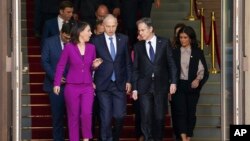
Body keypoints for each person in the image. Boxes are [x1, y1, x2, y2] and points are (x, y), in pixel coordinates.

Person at [53, 21, 103, 141]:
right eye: (88, 31)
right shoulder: (69, 47)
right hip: (72, 86)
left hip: (87, 86)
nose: (91, 33)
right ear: (80, 32)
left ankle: (86, 139)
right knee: (73, 116)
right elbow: (61, 65)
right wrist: (56, 83)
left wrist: (95, 65)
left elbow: (90, 68)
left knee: (86, 114)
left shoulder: (92, 48)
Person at [131, 17, 177, 141]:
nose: (140, 33)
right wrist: (134, 88)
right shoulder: (138, 46)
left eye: (143, 30)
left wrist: (173, 82)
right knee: (145, 116)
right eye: (139, 30)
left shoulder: (164, 42)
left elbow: (171, 64)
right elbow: (135, 69)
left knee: (159, 117)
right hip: (144, 86)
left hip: (160, 85)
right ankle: (147, 138)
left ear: (151, 29)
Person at [91, 14, 132, 141]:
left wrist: (129, 81)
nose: (110, 29)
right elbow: (90, 63)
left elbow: (127, 62)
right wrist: (94, 67)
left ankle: (114, 137)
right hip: (103, 84)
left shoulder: (124, 39)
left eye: (113, 26)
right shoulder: (96, 40)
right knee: (105, 117)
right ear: (103, 26)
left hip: (119, 84)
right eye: (108, 26)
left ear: (117, 25)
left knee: (119, 115)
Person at [170, 26, 209, 141]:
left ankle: (188, 136)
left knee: (191, 113)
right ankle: (183, 138)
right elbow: (170, 70)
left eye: (185, 37)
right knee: (180, 112)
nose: (182, 40)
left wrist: (197, 80)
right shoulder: (175, 52)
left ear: (191, 39)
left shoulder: (197, 52)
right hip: (178, 86)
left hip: (192, 87)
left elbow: (203, 70)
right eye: (181, 37)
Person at [41, 22, 73, 141]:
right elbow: (45, 62)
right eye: (65, 37)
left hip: (72, 86)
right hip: (55, 86)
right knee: (57, 118)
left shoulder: (75, 42)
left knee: (73, 117)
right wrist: (56, 77)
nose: (67, 40)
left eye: (70, 38)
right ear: (61, 33)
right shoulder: (49, 42)